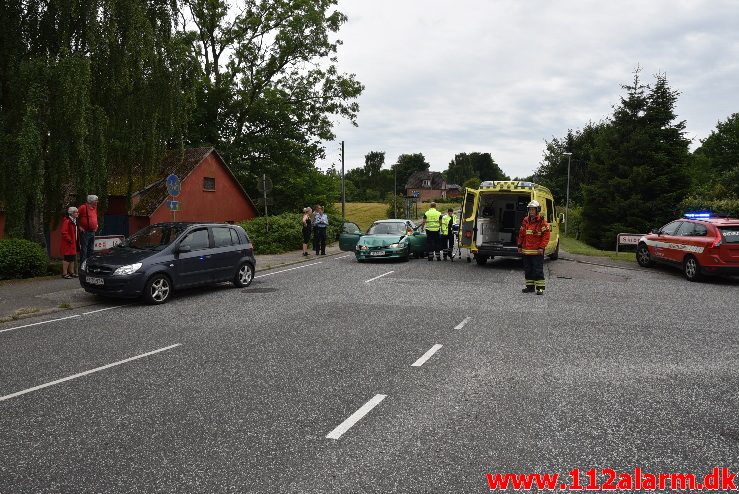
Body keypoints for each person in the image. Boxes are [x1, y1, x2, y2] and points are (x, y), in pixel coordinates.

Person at [517, 200, 551, 295]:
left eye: (533, 210)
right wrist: (519, 245)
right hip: (526, 251)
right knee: (528, 270)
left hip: (537, 251)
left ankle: (540, 288)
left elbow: (546, 236)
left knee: (537, 270)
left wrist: (541, 247)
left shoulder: (542, 222)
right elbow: (521, 234)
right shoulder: (525, 220)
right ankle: (530, 287)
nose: (531, 211)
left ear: (537, 210)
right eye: (530, 210)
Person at [78, 194, 99, 263]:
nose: (97, 202)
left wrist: (96, 225)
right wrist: (79, 226)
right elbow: (75, 216)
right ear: (91, 201)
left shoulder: (94, 208)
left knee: (91, 249)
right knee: (84, 250)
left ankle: (89, 265)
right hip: (85, 232)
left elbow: (94, 217)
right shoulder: (83, 207)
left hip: (92, 231)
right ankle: (83, 266)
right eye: (96, 201)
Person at [61, 207, 79, 279]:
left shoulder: (74, 221)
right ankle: (64, 273)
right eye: (76, 212)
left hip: (73, 242)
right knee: (67, 258)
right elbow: (64, 232)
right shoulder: (67, 221)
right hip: (68, 243)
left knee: (72, 258)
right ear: (72, 213)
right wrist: (70, 240)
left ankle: (71, 272)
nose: (77, 213)